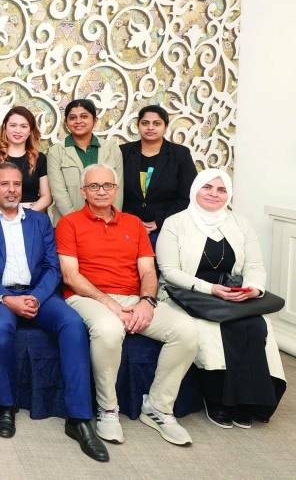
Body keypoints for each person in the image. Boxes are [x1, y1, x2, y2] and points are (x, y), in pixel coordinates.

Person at [0, 162, 106, 462]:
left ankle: (79, 417)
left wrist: (36, 297)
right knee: (0, 329)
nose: (11, 190)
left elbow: (53, 267)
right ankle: (6, 405)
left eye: (16, 184)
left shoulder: (40, 221)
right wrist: (6, 298)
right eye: (4, 184)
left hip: (36, 293)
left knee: (72, 324)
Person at [56, 163, 198, 446]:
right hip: (87, 297)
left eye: (107, 185)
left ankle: (158, 407)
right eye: (94, 186)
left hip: (133, 297)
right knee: (109, 330)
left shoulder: (133, 224)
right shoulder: (69, 223)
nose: (101, 191)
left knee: (186, 331)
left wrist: (146, 302)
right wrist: (110, 304)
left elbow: (148, 271)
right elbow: (71, 276)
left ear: (116, 189)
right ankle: (108, 409)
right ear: (83, 191)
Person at [156, 169, 285, 428]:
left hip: (232, 294)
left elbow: (255, 266)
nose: (214, 194)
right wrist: (210, 289)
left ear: (229, 194)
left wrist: (253, 289)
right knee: (212, 328)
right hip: (187, 294)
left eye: (221, 189)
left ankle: (249, 401)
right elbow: (169, 271)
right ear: (195, 189)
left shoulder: (240, 223)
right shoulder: (175, 223)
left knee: (257, 325)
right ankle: (219, 401)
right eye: (207, 187)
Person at [120, 105, 197, 245]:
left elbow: (188, 196)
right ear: (138, 126)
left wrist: (159, 221)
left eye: (156, 123)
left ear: (165, 127)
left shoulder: (180, 154)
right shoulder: (123, 152)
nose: (150, 127)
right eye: (145, 123)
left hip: (167, 228)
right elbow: (115, 191)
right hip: (127, 227)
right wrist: (131, 221)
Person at [47, 99, 124, 220]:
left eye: (84, 116)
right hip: (69, 222)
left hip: (107, 222)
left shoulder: (111, 148)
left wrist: (111, 219)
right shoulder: (55, 151)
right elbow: (59, 193)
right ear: (66, 122)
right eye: (72, 118)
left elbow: (117, 190)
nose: (78, 121)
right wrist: (78, 223)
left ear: (95, 120)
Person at [0, 106, 51, 211]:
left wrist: (28, 214)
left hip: (31, 213)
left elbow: (46, 197)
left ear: (30, 130)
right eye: (13, 125)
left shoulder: (40, 158)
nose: (18, 130)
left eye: (23, 126)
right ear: (5, 127)